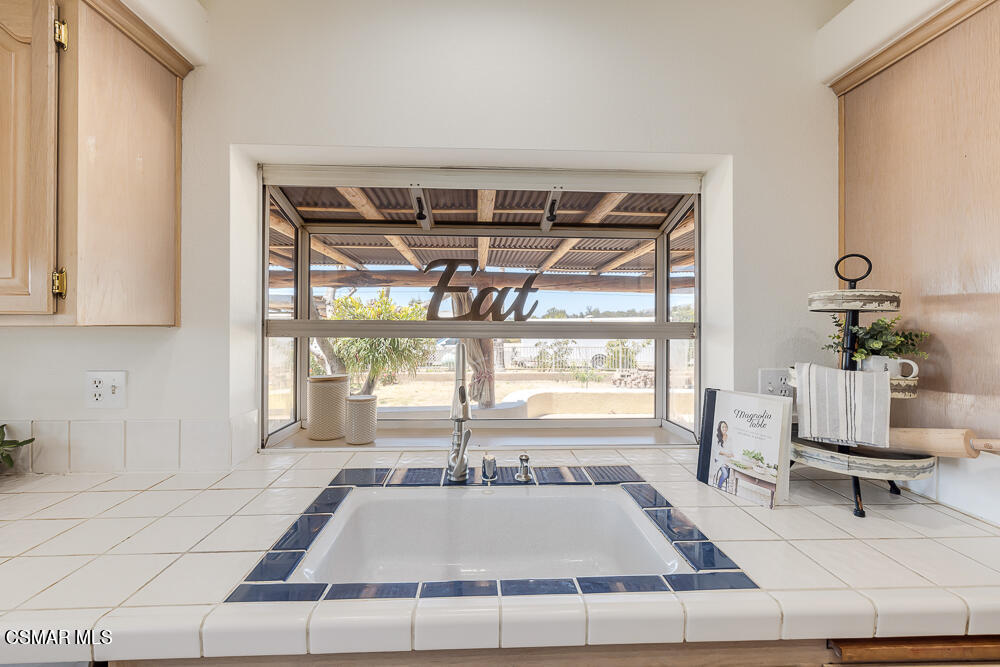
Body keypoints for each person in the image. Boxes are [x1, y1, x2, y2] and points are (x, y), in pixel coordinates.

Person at [712, 420, 731, 490]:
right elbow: (717, 450)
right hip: (719, 459)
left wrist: (731, 454)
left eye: (725, 427)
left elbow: (730, 449)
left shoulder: (729, 438)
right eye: (723, 427)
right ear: (720, 428)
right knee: (725, 474)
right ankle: (719, 487)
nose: (724, 428)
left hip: (727, 459)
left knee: (730, 474)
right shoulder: (717, 437)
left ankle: (728, 488)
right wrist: (726, 454)